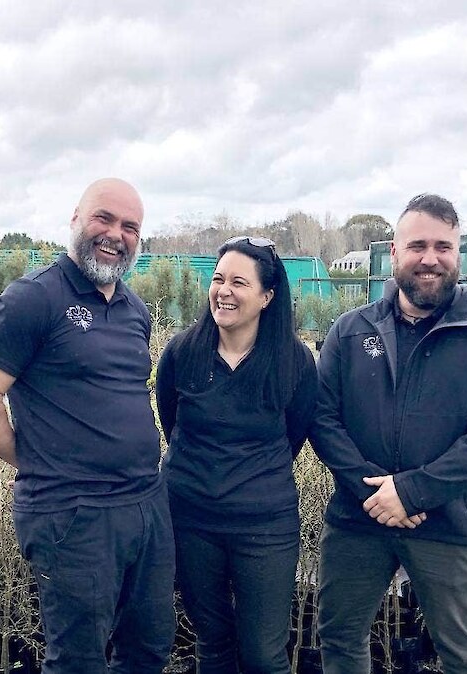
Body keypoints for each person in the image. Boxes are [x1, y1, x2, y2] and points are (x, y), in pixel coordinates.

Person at [0, 178, 175, 674]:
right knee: (78, 661)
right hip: (75, 513)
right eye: (104, 219)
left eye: (130, 226)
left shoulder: (134, 310)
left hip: (144, 505)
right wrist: (32, 461)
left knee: (149, 650)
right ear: (75, 219)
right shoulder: (34, 299)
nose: (116, 234)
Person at [310, 194, 467, 674]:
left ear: (458, 254)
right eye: (418, 246)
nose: (430, 258)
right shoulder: (350, 331)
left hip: (448, 522)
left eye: (443, 247)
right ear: (395, 252)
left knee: (464, 656)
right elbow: (323, 419)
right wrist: (374, 492)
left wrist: (409, 493)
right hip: (358, 519)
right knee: (340, 640)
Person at [155, 236, 317, 674]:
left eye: (239, 282)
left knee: (264, 652)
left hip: (264, 527)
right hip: (191, 521)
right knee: (213, 643)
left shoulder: (294, 362)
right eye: (218, 279)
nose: (224, 290)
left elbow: (293, 438)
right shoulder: (182, 353)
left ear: (266, 297)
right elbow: (172, 423)